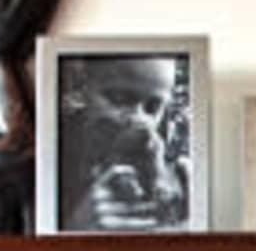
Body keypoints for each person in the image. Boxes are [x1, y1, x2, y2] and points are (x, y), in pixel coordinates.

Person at [58, 53, 191, 230]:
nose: (138, 119)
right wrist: (76, 229)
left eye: (152, 108)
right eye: (119, 99)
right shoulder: (52, 160)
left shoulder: (179, 175)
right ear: (82, 87)